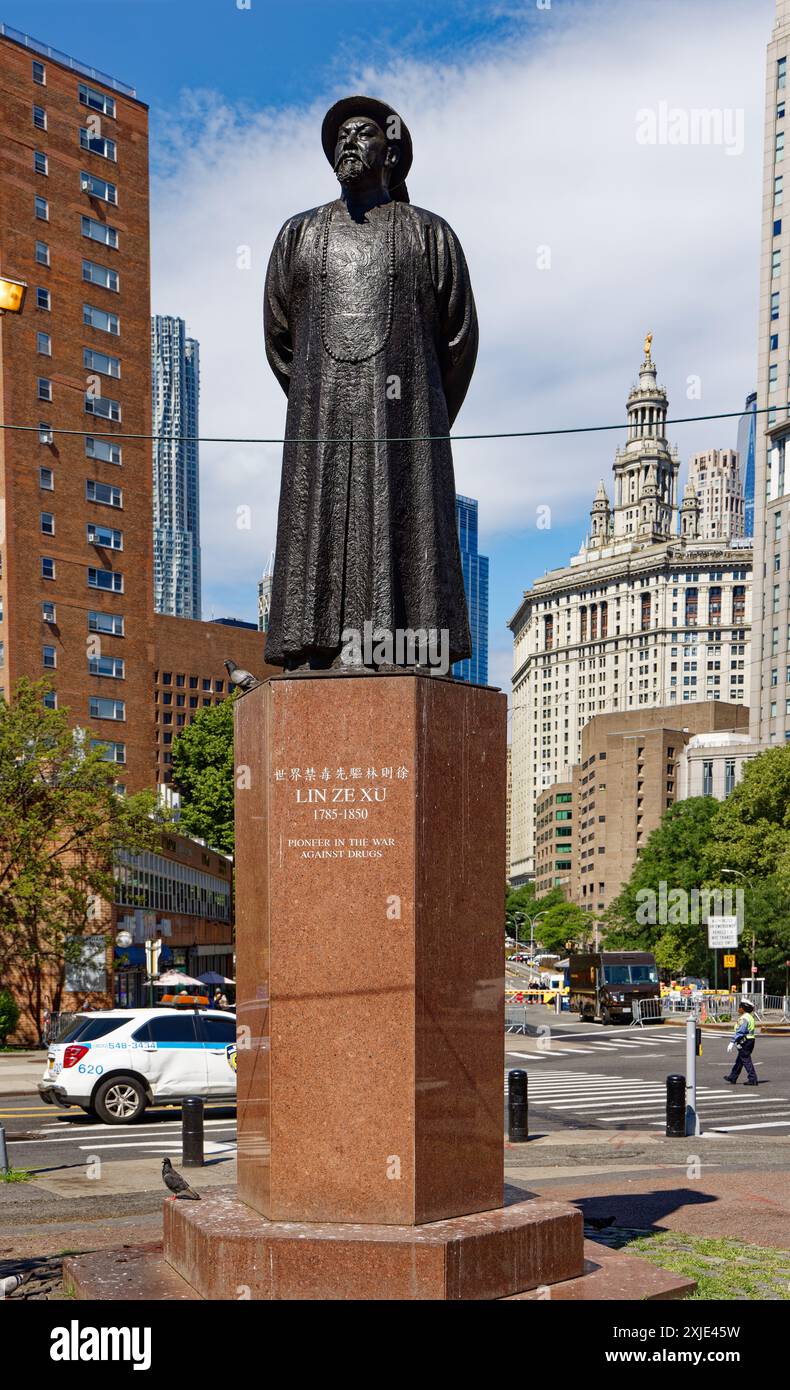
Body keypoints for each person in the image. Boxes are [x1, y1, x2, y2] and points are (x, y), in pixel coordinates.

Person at [263, 95, 478, 672]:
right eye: (339, 137)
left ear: (392, 150)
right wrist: (320, 396)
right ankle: (318, 646)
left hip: (405, 428)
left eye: (361, 134)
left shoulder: (429, 235)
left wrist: (423, 416)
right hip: (322, 420)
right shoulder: (297, 235)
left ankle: (404, 647)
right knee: (319, 521)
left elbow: (458, 342)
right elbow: (279, 339)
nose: (347, 144)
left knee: (404, 523)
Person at [724, 1002, 758, 1085]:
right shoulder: (749, 1016)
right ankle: (733, 1077)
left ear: (743, 1009)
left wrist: (732, 1042)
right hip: (750, 1040)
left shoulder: (744, 1018)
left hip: (745, 1041)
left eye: (740, 1007)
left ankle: (753, 1079)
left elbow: (740, 1032)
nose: (738, 1009)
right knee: (740, 1060)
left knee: (746, 1060)